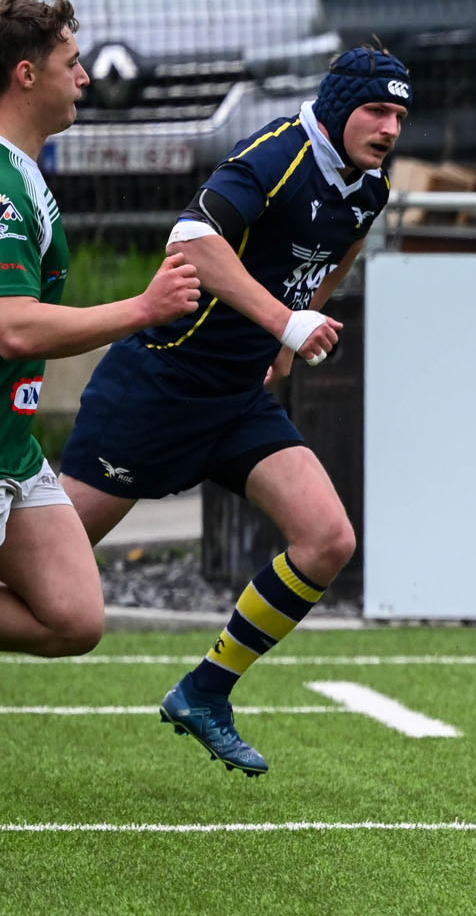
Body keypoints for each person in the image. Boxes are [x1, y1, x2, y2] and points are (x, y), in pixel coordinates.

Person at [60, 46, 410, 776]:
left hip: (237, 399)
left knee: (328, 539)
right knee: (45, 565)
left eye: (400, 116)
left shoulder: (370, 185)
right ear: (340, 108)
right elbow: (190, 240)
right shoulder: (278, 154)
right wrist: (285, 321)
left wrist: (287, 336)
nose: (389, 128)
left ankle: (205, 692)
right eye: (377, 110)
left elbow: (339, 253)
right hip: (160, 387)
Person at [0, 0, 201, 657]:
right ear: (27, 75)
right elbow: (13, 328)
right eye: (73, 63)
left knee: (75, 615)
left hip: (13, 447)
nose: (87, 78)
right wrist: (144, 307)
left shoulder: (24, 173)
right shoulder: (2, 187)